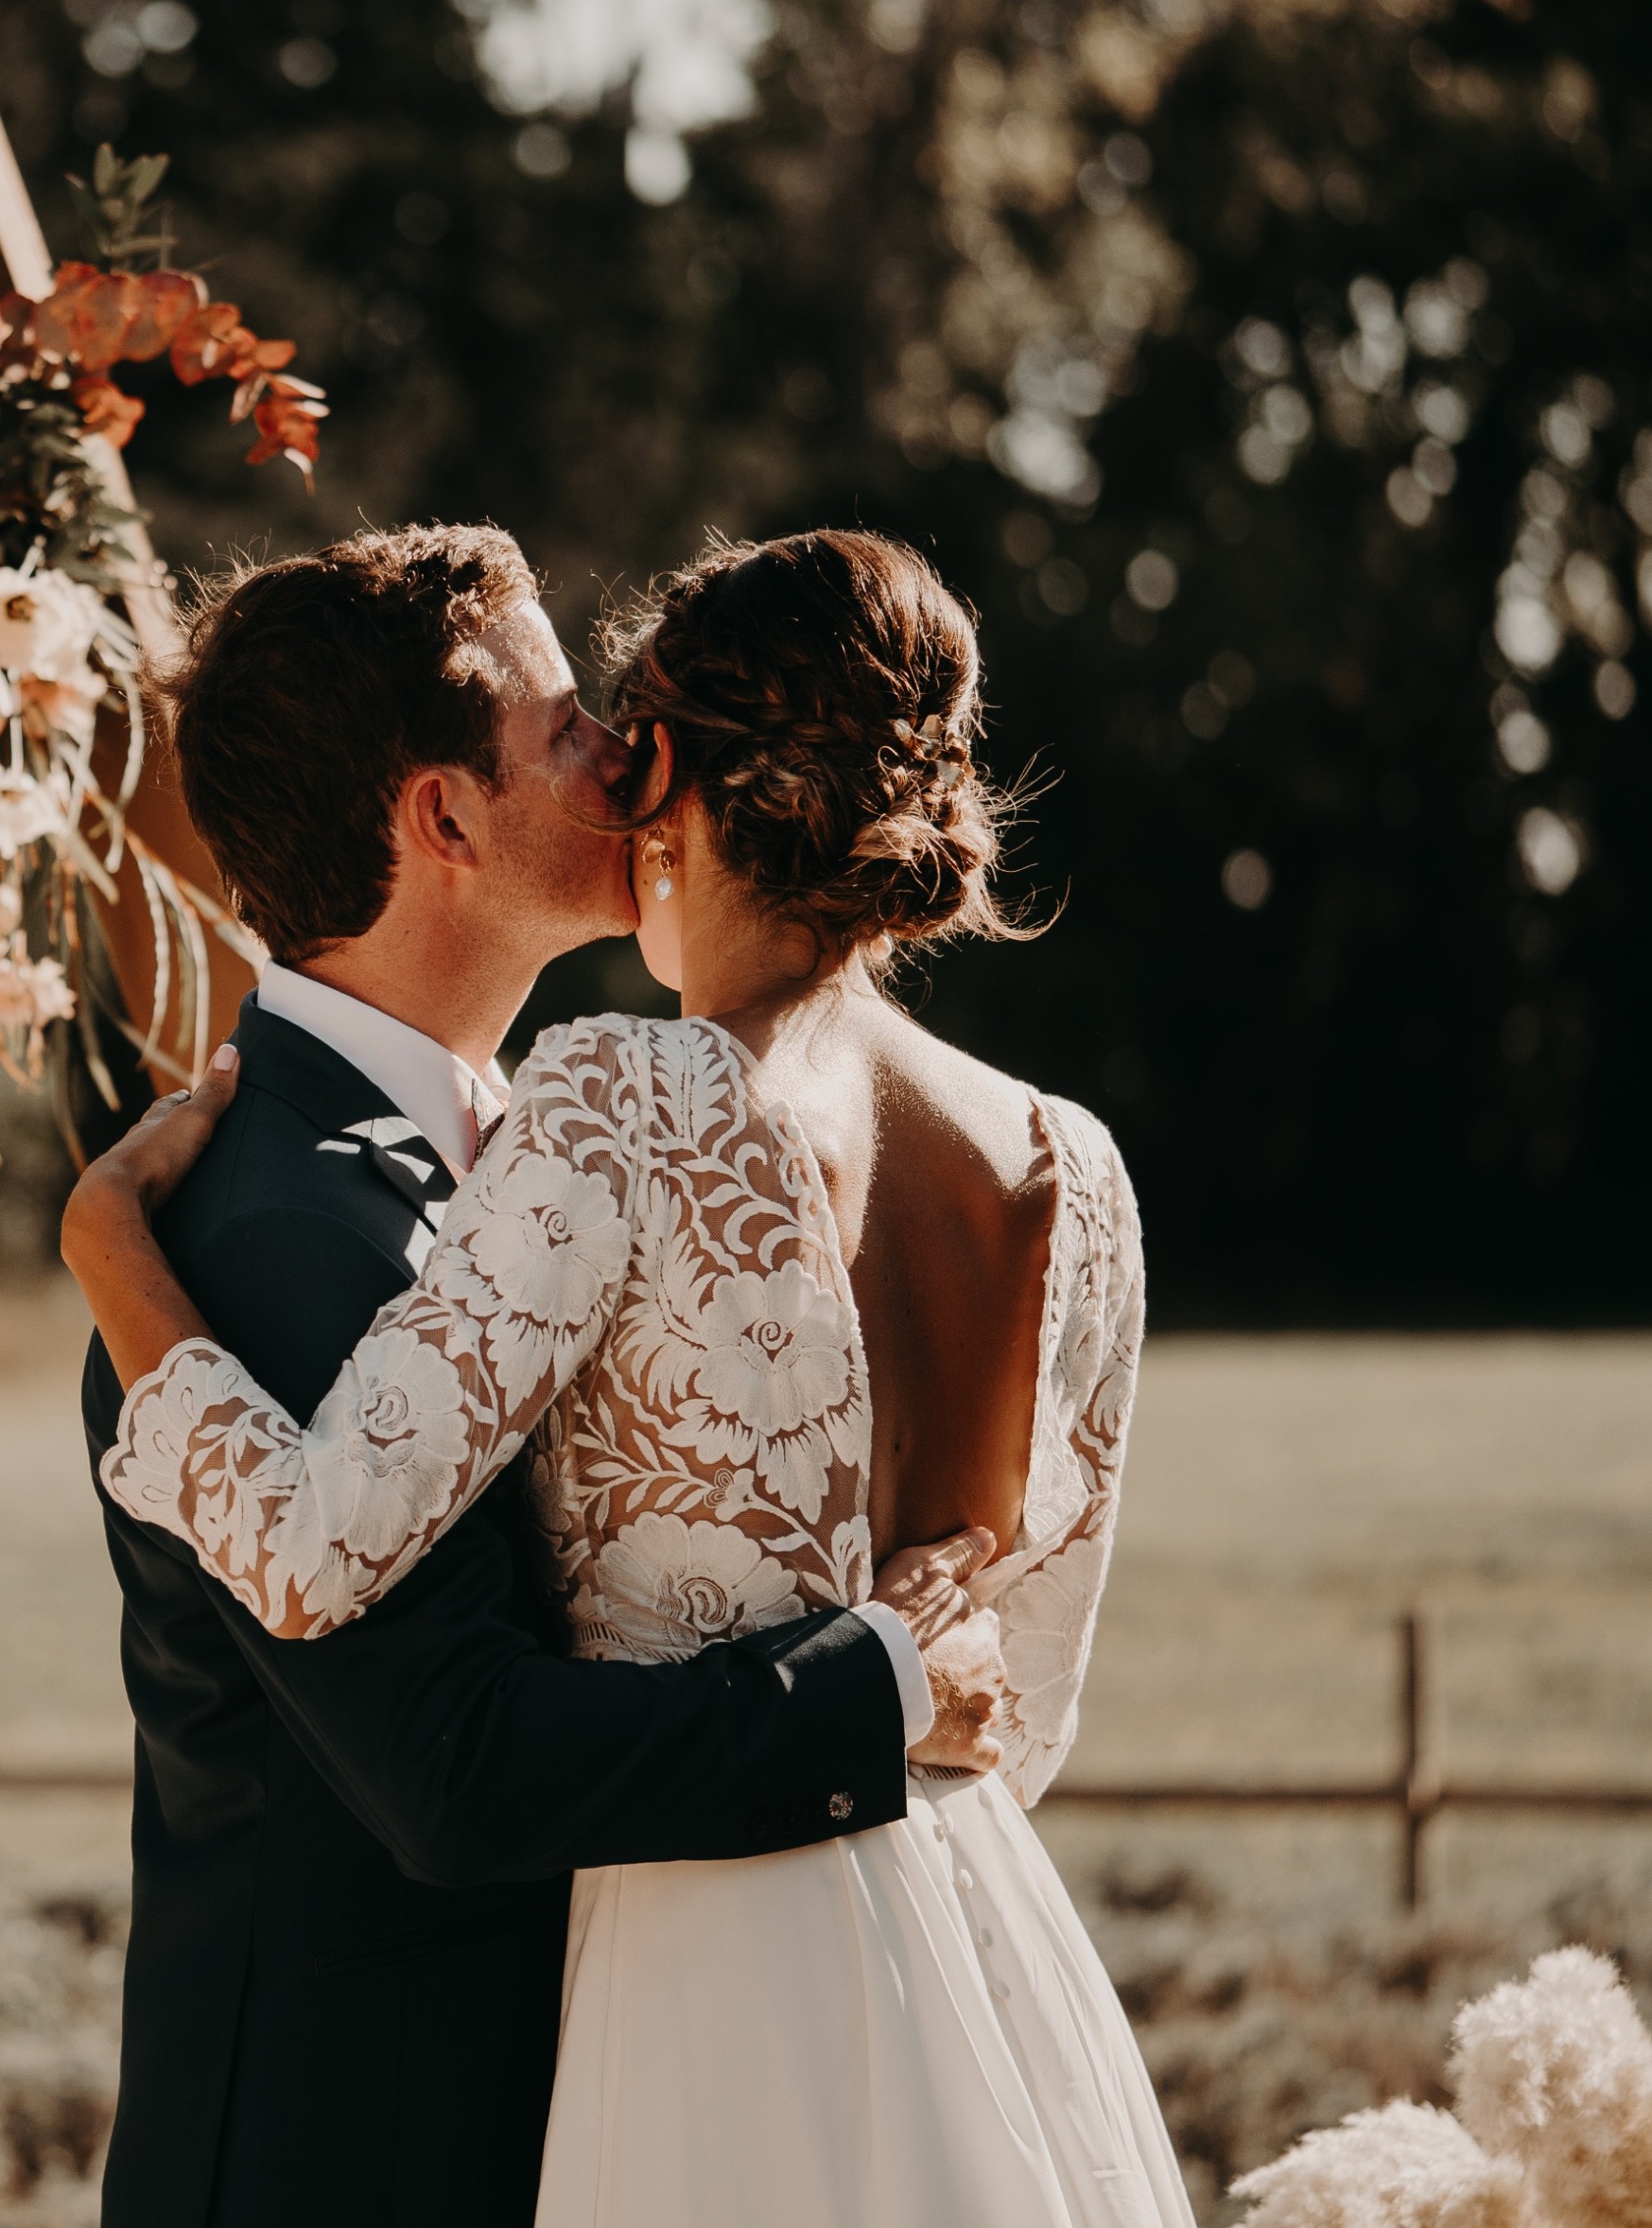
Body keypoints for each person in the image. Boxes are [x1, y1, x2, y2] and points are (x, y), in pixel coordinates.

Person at [67, 525, 1193, 2227]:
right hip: (381, 2156)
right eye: (565, 728)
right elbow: (454, 1767)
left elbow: (329, 1555)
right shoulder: (266, 1222)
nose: (615, 757)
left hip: (699, 2028)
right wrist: (883, 1693)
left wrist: (102, 1244)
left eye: (627, 724)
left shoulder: (588, 1125)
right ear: (443, 819)